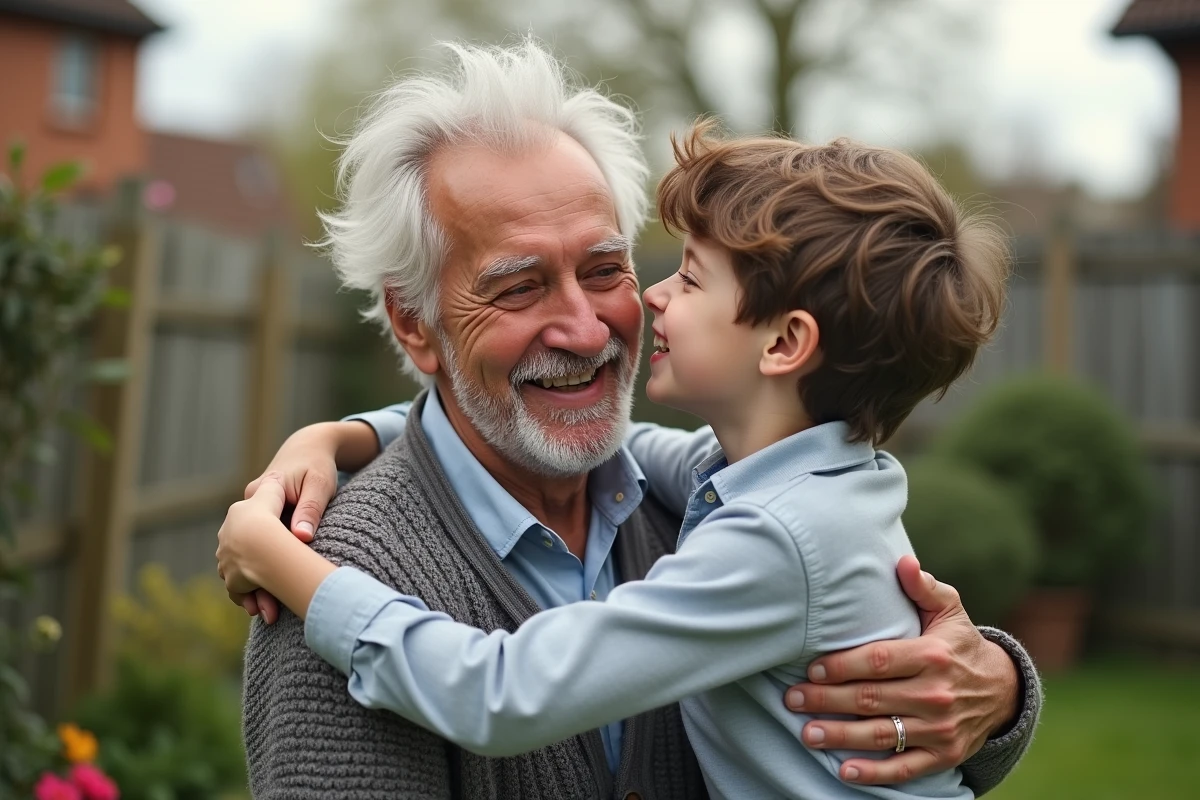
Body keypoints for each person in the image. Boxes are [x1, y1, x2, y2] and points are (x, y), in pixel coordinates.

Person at [223, 40, 1040, 799]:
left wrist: (994, 692)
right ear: (413, 324)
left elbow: (498, 694)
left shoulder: (710, 514)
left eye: (612, 267)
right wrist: (347, 437)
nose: (594, 324)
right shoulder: (350, 574)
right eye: (519, 286)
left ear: (787, 344)